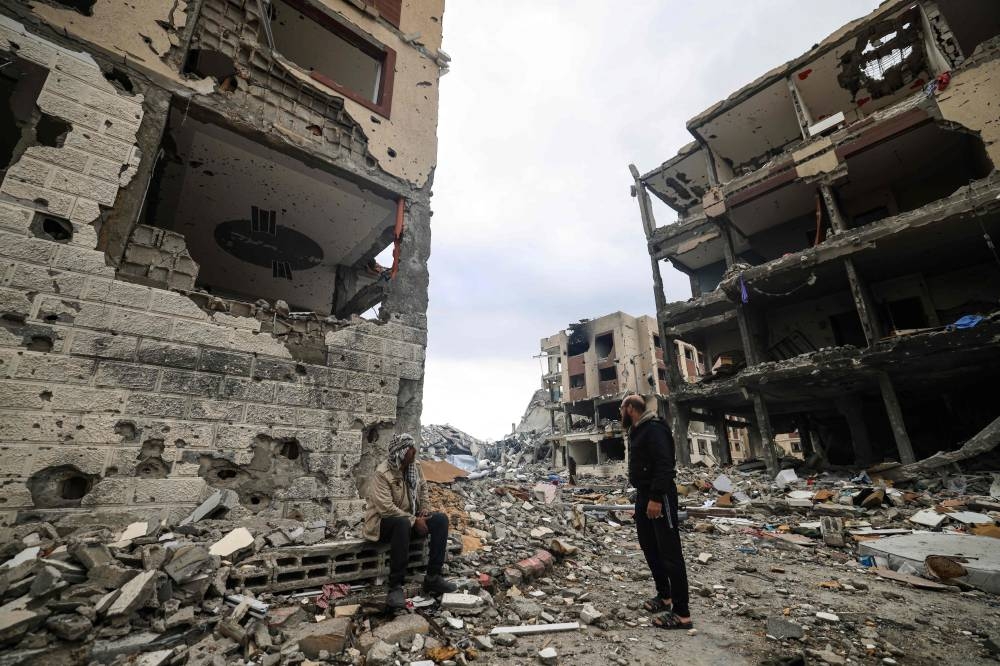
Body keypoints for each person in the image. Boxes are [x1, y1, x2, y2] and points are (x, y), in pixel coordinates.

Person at [620, 394, 692, 630]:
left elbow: (665, 465)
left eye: (622, 409)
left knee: (670, 552)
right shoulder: (638, 429)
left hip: (658, 496)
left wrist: (655, 498)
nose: (620, 413)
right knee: (649, 545)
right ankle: (665, 596)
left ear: (630, 408)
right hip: (644, 495)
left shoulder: (654, 428)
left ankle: (682, 614)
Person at [363, 433, 457, 609]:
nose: (414, 451)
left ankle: (433, 578)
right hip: (382, 524)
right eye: (410, 449)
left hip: (409, 519)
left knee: (440, 520)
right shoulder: (382, 474)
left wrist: (425, 510)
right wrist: (415, 521)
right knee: (402, 522)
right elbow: (386, 509)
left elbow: (423, 489)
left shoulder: (415, 466)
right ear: (401, 453)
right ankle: (395, 587)